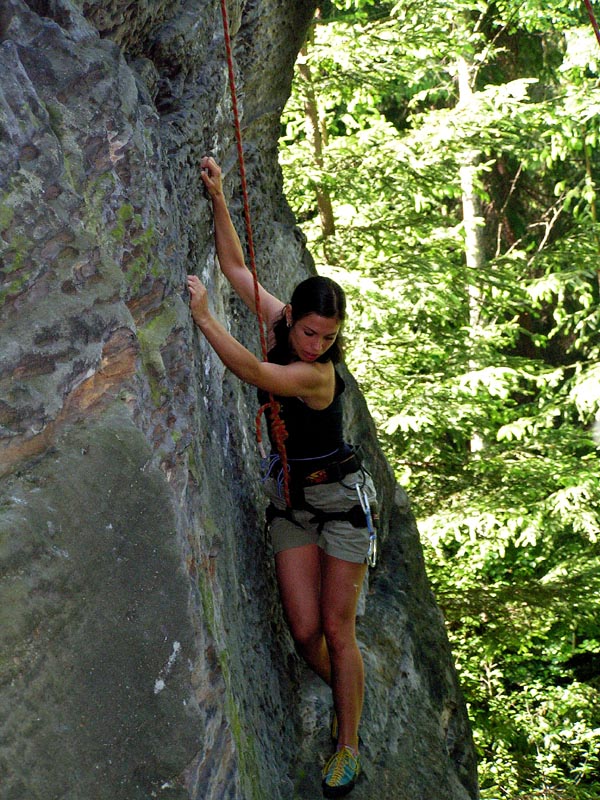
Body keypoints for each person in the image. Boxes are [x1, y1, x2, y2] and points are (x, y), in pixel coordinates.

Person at [187, 156, 377, 798]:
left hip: (340, 502)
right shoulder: (279, 323)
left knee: (335, 628)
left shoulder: (317, 377)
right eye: (308, 331)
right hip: (292, 503)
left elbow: (260, 376)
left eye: (328, 337)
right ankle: (350, 693)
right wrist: (217, 198)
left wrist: (207, 319)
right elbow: (238, 269)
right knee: (303, 633)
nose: (315, 344)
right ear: (291, 316)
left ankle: (347, 743)